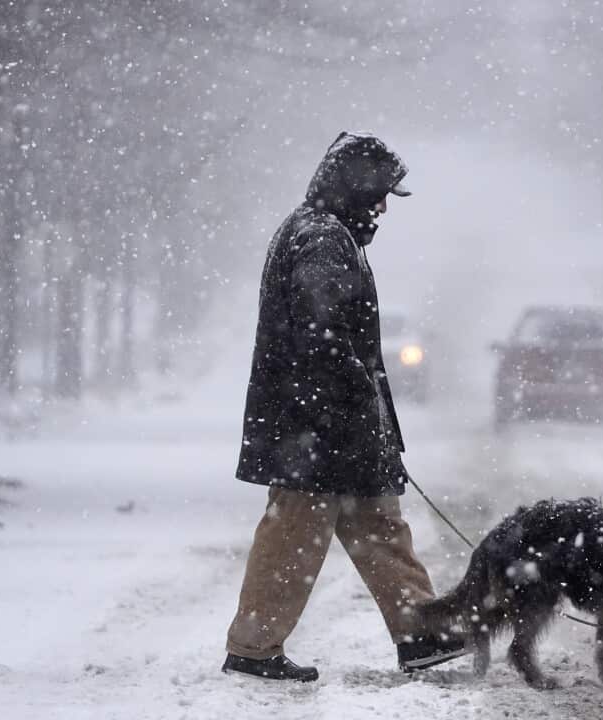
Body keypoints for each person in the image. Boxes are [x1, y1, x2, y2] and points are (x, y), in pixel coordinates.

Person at [222, 132, 467, 682]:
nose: (383, 207)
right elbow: (322, 334)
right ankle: (253, 649)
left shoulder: (329, 234)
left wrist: (369, 419)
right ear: (353, 188)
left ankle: (420, 633)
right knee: (294, 535)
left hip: (332, 424)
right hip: (314, 426)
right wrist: (356, 402)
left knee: (379, 525)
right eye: (378, 194)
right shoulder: (320, 239)